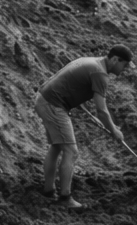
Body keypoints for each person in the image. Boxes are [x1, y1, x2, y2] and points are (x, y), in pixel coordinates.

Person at [35, 45, 132, 211]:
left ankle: (48, 190)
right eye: (125, 65)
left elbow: (70, 82)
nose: (125, 69)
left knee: (57, 147)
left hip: (45, 99)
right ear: (115, 59)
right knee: (71, 151)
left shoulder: (91, 62)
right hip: (53, 104)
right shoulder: (100, 74)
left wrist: (75, 101)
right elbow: (101, 111)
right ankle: (65, 197)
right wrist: (113, 130)